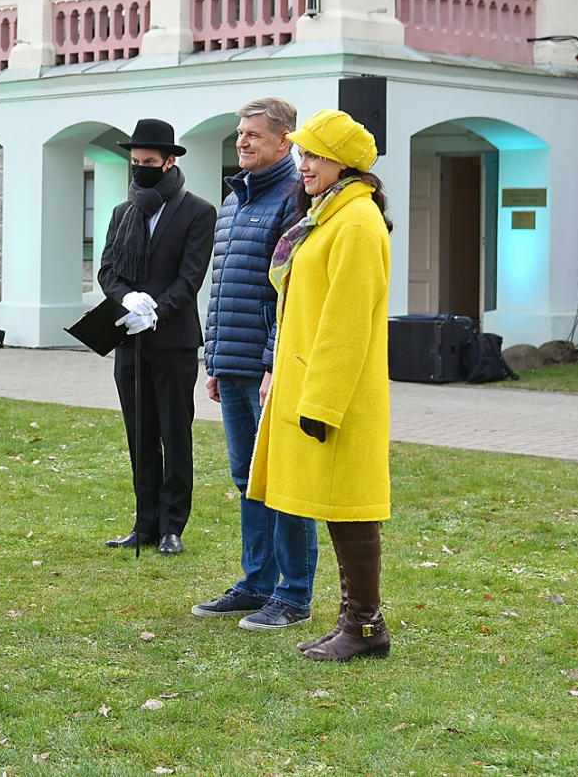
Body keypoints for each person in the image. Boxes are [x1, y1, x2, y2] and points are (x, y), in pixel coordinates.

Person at [247, 108, 394, 661]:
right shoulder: (330, 215)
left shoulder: (355, 222)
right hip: (315, 386)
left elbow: (346, 322)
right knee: (337, 506)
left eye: (313, 155)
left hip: (339, 395)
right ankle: (357, 622)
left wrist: (322, 402)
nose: (302, 164)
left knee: (350, 507)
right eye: (303, 154)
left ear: (344, 164)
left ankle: (363, 625)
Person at [192, 98, 319, 631]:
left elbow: (290, 293)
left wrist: (272, 364)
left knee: (284, 481)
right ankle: (256, 583)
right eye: (240, 133)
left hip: (271, 369)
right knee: (248, 479)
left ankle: (293, 595)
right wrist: (215, 359)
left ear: (284, 141)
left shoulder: (293, 199)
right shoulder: (236, 200)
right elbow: (225, 287)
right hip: (234, 362)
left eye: (254, 136)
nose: (242, 142)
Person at [96, 118, 217, 556]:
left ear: (169, 162)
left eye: (149, 162)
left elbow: (190, 279)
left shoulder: (198, 212)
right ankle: (143, 524)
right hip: (129, 338)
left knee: (174, 431)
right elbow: (107, 270)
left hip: (173, 340)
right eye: (135, 162)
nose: (140, 169)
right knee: (139, 432)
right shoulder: (122, 212)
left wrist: (156, 310)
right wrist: (128, 300)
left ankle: (172, 526)